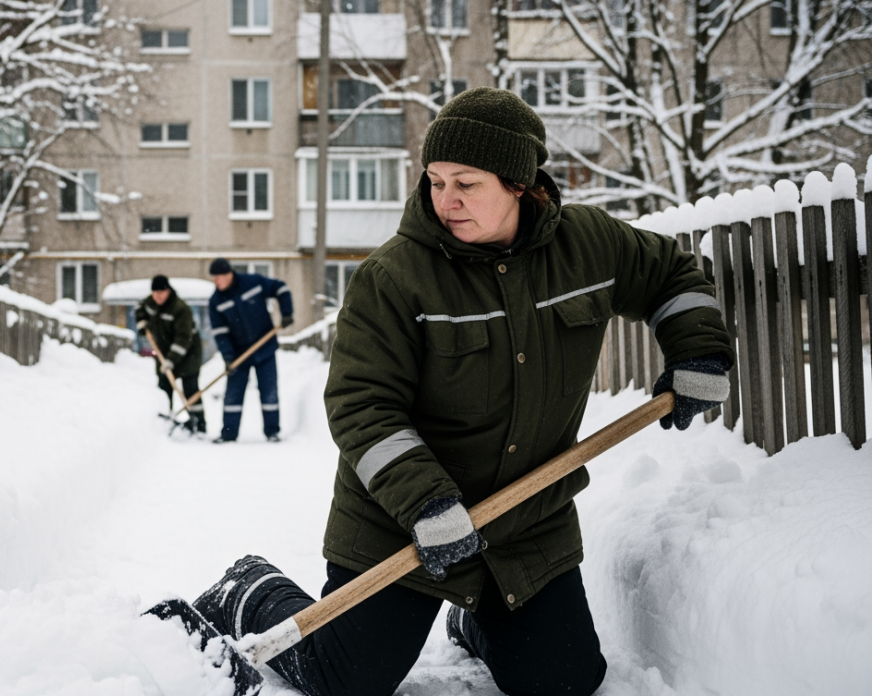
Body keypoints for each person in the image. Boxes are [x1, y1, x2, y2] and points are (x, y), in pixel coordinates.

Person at [189, 88, 733, 696]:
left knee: (566, 683)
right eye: (435, 180)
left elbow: (670, 272)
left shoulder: (589, 246)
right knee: (344, 680)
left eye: (466, 184)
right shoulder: (394, 277)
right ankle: (248, 588)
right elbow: (360, 405)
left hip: (525, 524)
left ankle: (477, 622)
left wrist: (698, 348)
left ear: (520, 184)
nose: (445, 200)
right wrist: (425, 503)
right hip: (400, 521)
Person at [206, 258, 294, 444]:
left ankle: (272, 432)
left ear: (228, 274)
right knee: (233, 395)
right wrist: (229, 358)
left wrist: (287, 312)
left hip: (265, 348)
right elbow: (221, 334)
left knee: (269, 392)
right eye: (213, 279)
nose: (216, 282)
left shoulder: (252, 282)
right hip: (239, 355)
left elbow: (281, 288)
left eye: (218, 278)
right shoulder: (216, 301)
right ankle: (228, 434)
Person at [135, 275, 205, 434]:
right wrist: (141, 322)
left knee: (190, 389)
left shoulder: (180, 308)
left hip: (188, 354)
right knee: (164, 388)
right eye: (155, 292)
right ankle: (164, 422)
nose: (158, 296)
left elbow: (183, 338)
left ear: (168, 291)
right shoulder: (151, 303)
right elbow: (139, 308)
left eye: (162, 292)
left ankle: (199, 425)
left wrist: (172, 360)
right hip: (164, 352)